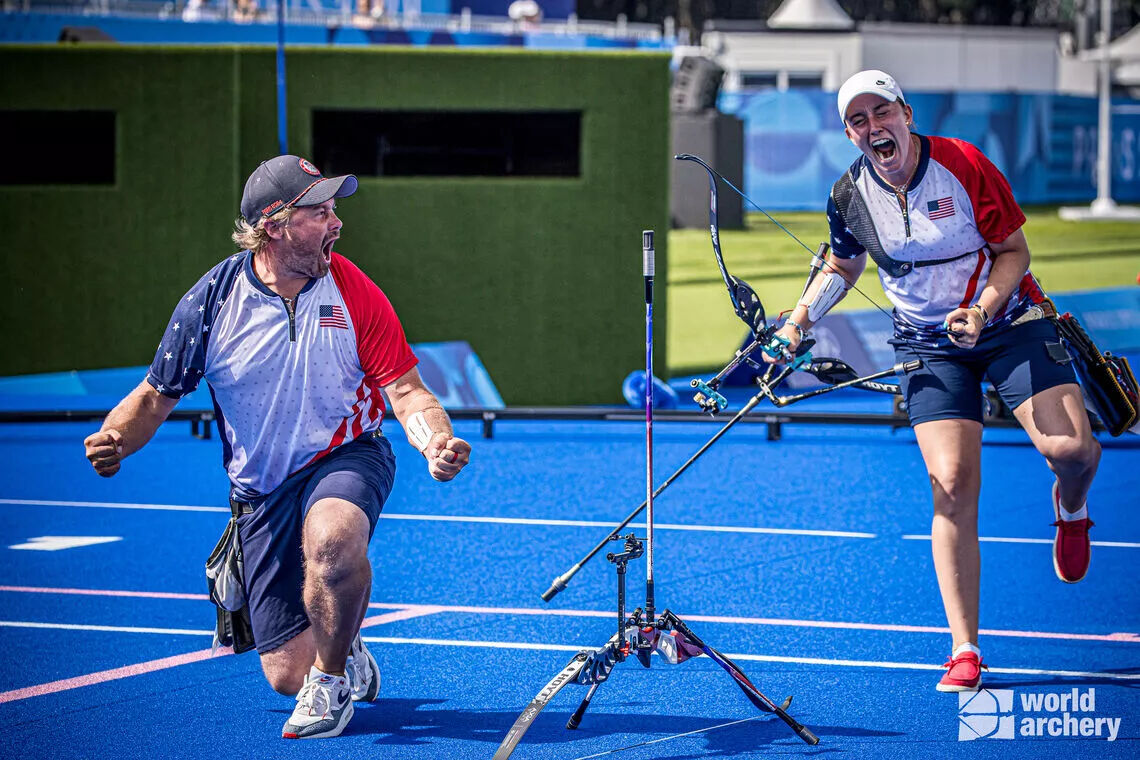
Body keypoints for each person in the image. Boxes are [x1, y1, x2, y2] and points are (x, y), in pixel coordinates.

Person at [83, 154, 471, 738]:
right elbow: (155, 395)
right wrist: (115, 438)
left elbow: (407, 391)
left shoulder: (355, 291)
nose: (336, 223)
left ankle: (334, 681)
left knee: (334, 546)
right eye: (319, 211)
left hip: (348, 454)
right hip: (260, 490)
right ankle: (341, 641)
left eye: (334, 208)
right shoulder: (212, 302)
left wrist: (435, 442)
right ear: (274, 224)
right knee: (287, 674)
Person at [764, 70, 1101, 692]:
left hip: (1008, 319)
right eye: (858, 120)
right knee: (950, 483)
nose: (873, 127)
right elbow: (842, 263)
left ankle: (1071, 505)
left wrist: (981, 310)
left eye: (881, 112)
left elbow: (1014, 251)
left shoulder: (965, 163)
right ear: (848, 133)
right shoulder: (849, 194)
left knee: (1072, 452)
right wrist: (800, 320)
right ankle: (965, 647)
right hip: (926, 342)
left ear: (906, 113)